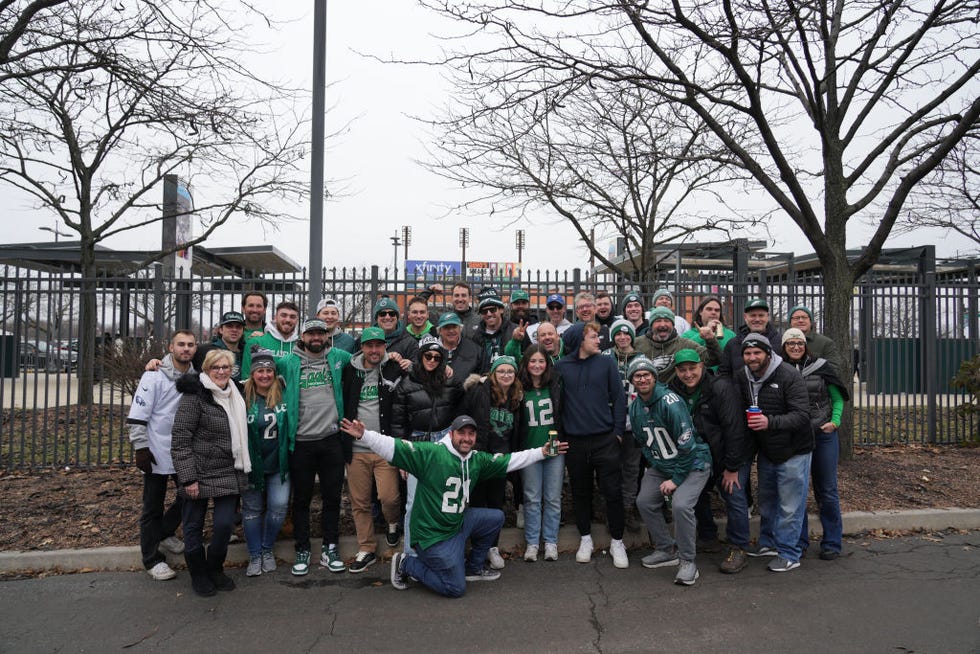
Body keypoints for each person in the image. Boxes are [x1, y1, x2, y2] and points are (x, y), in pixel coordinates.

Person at [339, 415, 568, 598]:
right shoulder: (432, 454)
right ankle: (407, 563)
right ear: (451, 435)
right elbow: (394, 446)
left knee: (495, 517)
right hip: (432, 536)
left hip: (456, 524)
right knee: (455, 588)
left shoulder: (476, 459)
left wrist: (542, 452)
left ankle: (473, 568)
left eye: (471, 434)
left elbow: (510, 461)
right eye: (462, 433)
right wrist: (364, 435)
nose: (466, 438)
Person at [627, 356, 712, 586]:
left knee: (681, 505)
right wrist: (659, 467)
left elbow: (687, 446)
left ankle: (688, 561)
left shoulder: (670, 402)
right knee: (644, 501)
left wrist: (675, 480)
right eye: (637, 375)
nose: (643, 378)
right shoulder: (635, 407)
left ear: (654, 377)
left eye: (647, 374)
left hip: (693, 463)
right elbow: (644, 443)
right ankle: (667, 548)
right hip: (664, 465)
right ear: (632, 380)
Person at [276, 319, 352, 576]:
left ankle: (331, 547)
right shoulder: (288, 362)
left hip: (332, 440)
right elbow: (258, 370)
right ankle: (303, 548)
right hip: (301, 442)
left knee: (332, 498)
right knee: (302, 500)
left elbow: (370, 359)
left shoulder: (339, 357)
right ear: (303, 336)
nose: (316, 337)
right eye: (311, 333)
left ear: (327, 335)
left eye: (321, 333)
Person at [171, 350, 249, 597]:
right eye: (216, 367)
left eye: (226, 367)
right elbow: (180, 440)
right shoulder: (194, 396)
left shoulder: (236, 394)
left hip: (228, 470)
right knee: (193, 526)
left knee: (225, 525)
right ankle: (198, 573)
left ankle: (215, 567)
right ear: (206, 370)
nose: (222, 371)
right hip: (198, 473)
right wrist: (188, 478)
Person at [668, 349, 752, 574]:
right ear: (676, 371)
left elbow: (734, 429)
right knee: (697, 494)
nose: (688, 374)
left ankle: (739, 547)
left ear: (702, 366)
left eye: (692, 368)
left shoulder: (720, 388)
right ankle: (708, 536)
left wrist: (731, 468)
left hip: (729, 453)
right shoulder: (674, 390)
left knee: (733, 494)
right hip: (698, 456)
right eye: (683, 370)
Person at [733, 333, 811, 572]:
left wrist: (770, 422)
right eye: (747, 353)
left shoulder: (789, 375)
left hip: (794, 449)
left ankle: (789, 553)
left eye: (757, 352)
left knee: (790, 505)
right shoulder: (742, 377)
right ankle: (769, 543)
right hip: (767, 449)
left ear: (768, 353)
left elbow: (802, 414)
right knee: (767, 502)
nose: (752, 357)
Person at [556, 322, 629, 568]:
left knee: (612, 492)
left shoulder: (606, 362)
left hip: (605, 440)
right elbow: (558, 404)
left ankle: (618, 541)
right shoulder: (561, 367)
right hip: (575, 443)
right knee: (580, 493)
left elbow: (619, 397)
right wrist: (562, 437)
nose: (599, 340)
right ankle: (585, 538)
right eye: (593, 336)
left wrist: (618, 432)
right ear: (579, 340)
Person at [127, 330, 197, 582]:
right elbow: (138, 413)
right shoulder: (153, 375)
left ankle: (165, 532)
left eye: (190, 345)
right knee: (152, 507)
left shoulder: (195, 377)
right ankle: (152, 559)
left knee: (189, 498)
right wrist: (140, 447)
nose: (185, 349)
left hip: (183, 452)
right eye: (181, 344)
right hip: (155, 451)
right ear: (170, 347)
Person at [390, 336, 465, 555]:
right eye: (427, 356)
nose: (431, 360)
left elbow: (462, 409)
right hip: (418, 444)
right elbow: (397, 423)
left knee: (446, 502)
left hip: (444, 443)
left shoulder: (450, 381)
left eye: (436, 357)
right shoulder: (406, 384)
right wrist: (402, 458)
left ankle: (446, 552)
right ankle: (410, 556)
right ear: (420, 356)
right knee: (413, 503)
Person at [341, 326, 407, 572]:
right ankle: (366, 548)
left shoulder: (394, 368)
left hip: (384, 447)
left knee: (388, 497)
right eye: (369, 346)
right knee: (360, 501)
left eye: (378, 345)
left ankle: (392, 523)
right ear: (363, 348)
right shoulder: (349, 371)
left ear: (384, 347)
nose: (374, 350)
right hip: (356, 448)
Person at [780, 328, 850, 561]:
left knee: (827, 490)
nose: (796, 347)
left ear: (805, 345)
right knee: (796, 491)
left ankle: (832, 541)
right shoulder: (779, 370)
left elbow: (838, 397)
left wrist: (835, 422)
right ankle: (799, 542)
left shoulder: (821, 367)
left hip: (822, 434)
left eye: (799, 343)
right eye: (790, 343)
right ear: (784, 347)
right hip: (795, 436)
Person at [465, 355, 523, 570]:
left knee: (496, 505)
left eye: (510, 371)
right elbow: (464, 413)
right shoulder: (480, 391)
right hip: (481, 455)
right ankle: (478, 547)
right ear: (493, 374)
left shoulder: (517, 396)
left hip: (502, 458)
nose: (506, 375)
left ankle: (493, 547)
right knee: (478, 503)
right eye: (501, 371)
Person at [241, 348, 292, 577]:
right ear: (252, 374)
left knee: (278, 507)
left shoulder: (284, 391)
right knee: (252, 510)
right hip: (252, 465)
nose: (264, 375)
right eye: (259, 371)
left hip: (279, 464)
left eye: (268, 370)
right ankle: (254, 554)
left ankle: (267, 547)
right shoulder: (240, 394)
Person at [516, 345, 564, 562]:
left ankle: (551, 541)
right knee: (532, 498)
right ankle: (533, 542)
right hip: (530, 450)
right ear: (526, 364)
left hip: (554, 448)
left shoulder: (555, 386)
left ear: (547, 364)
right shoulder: (519, 388)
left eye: (541, 361)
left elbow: (565, 414)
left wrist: (564, 438)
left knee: (553, 498)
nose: (537, 365)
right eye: (532, 361)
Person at [603, 319, 645, 533]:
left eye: (626, 334)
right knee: (611, 469)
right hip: (610, 424)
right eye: (618, 334)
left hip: (634, 424)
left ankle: (628, 508)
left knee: (631, 468)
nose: (622, 337)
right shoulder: (605, 357)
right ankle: (612, 511)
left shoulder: (641, 358)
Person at [634, 306, 720, 383]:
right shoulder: (637, 343)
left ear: (673, 325)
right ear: (651, 325)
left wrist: (711, 340)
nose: (663, 324)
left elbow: (713, 360)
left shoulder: (685, 345)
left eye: (667, 321)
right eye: (658, 321)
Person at [719, 298, 781, 377]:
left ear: (767, 316)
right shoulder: (732, 344)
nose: (757, 319)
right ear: (745, 317)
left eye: (761, 315)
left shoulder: (780, 342)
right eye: (753, 315)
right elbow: (724, 374)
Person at [241, 300, 300, 375]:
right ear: (275, 318)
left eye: (292, 317)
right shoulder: (256, 342)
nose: (288, 320)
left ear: (297, 320)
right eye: (283, 315)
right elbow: (246, 378)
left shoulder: (301, 346)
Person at [788, 305, 846, 376]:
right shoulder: (782, 342)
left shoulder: (825, 343)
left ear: (810, 321)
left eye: (804, 317)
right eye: (796, 318)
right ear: (790, 322)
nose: (801, 320)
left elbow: (834, 368)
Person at [357, 296, 419, 363]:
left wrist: (410, 365)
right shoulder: (364, 339)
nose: (387, 317)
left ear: (397, 317)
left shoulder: (410, 342)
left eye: (392, 314)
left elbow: (418, 369)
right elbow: (356, 363)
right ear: (376, 318)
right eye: (382, 314)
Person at [194, 311, 246, 378]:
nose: (234, 330)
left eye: (238, 327)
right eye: (229, 326)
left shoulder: (246, 352)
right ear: (221, 330)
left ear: (243, 331)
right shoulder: (205, 350)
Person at [436, 312, 488, 377]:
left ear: (460, 329)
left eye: (454, 327)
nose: (451, 331)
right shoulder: (430, 350)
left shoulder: (476, 350)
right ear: (440, 331)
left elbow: (483, 376)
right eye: (447, 327)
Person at [472, 288, 516, 362]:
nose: (489, 314)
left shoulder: (514, 331)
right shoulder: (476, 336)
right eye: (484, 311)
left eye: (492, 310)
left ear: (501, 310)